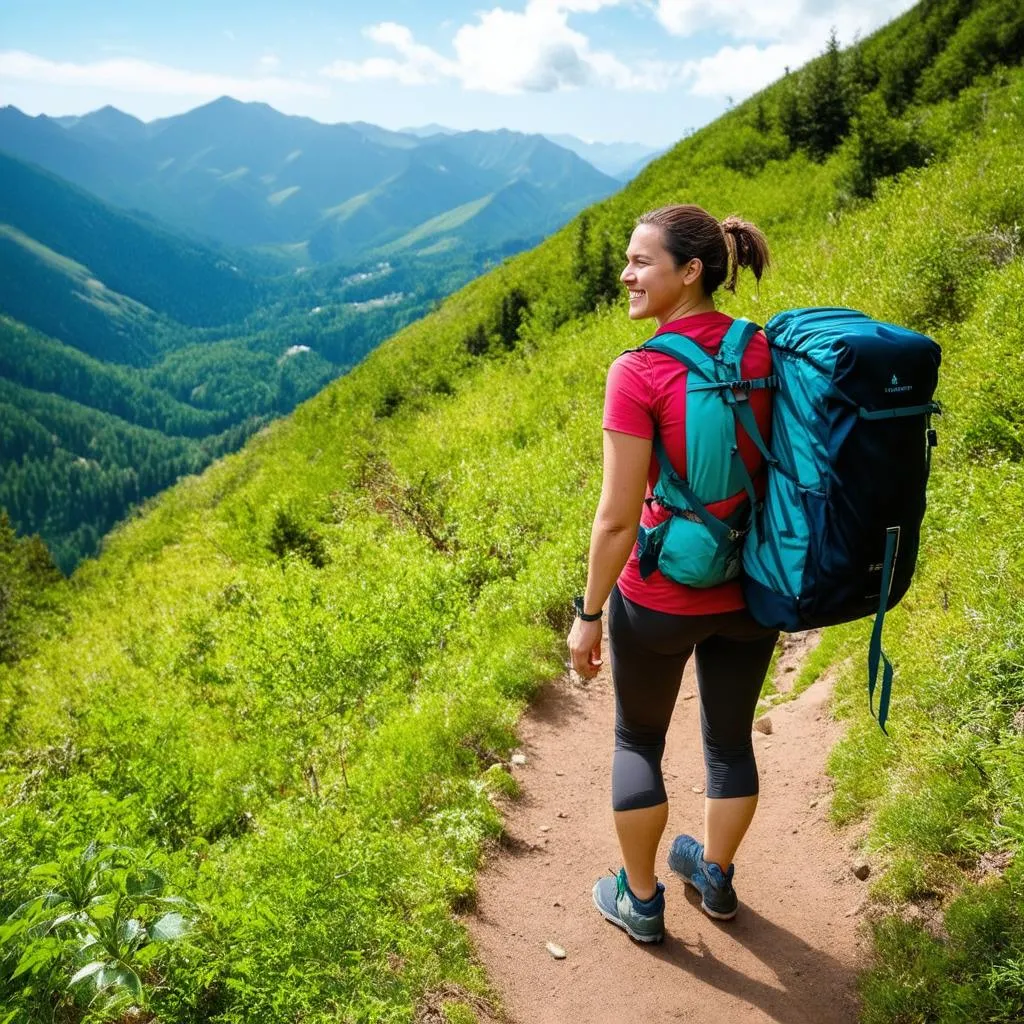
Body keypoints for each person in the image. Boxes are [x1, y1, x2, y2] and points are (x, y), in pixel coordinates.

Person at [567, 203, 779, 945]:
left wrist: (588, 613)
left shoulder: (640, 370)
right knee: (729, 740)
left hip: (661, 596)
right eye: (627, 259)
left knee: (637, 741)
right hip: (754, 589)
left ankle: (643, 898)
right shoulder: (767, 351)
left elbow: (617, 518)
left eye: (641, 262)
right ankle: (715, 874)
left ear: (690, 271)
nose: (626, 274)